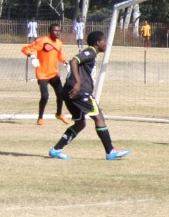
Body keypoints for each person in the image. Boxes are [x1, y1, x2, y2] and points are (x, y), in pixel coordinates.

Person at [48, 31, 130, 160]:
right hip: (80, 93)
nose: (106, 44)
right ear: (97, 43)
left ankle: (56, 149)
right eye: (104, 41)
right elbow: (73, 61)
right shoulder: (90, 52)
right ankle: (110, 151)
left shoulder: (92, 54)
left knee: (80, 123)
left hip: (69, 92)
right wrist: (78, 83)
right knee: (99, 117)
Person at [22, 22, 71, 126]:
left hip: (54, 74)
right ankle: (40, 118)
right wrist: (32, 56)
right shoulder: (43, 41)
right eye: (55, 31)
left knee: (61, 94)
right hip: (42, 74)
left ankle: (59, 114)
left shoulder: (59, 43)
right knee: (45, 96)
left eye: (59, 31)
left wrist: (65, 62)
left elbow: (60, 55)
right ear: (50, 31)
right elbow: (25, 49)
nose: (57, 33)